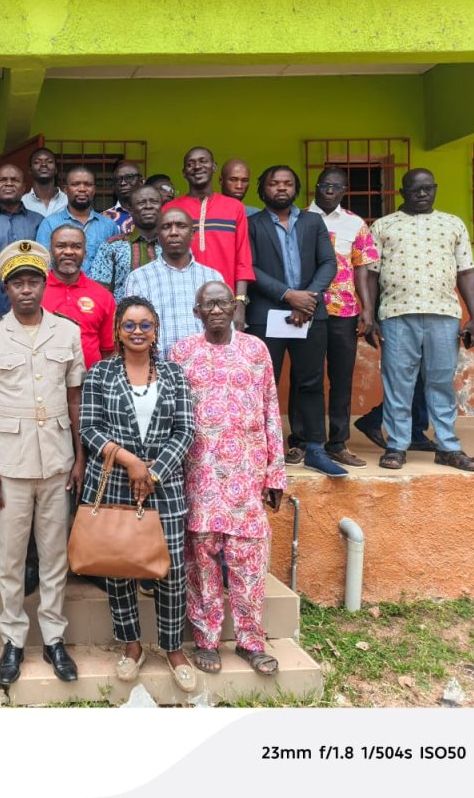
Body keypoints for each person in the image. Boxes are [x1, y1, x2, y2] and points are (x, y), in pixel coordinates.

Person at [0, 240, 86, 686]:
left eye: (33, 280)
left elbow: (75, 398)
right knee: (11, 558)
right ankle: (13, 639)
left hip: (57, 460)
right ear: (7, 287)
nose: (26, 290)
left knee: (54, 557)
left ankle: (54, 638)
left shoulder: (67, 332)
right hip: (9, 463)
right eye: (18, 282)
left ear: (44, 284)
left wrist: (79, 455)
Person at [79, 296, 197, 691]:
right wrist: (131, 462)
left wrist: (155, 471)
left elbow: (186, 430)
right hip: (113, 483)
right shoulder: (99, 374)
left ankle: (172, 647)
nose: (137, 332)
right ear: (117, 330)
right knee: (119, 569)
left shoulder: (175, 375)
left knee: (172, 570)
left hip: (164, 489)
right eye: (129, 325)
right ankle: (132, 645)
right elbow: (89, 429)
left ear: (156, 329)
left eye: (145, 325)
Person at [170, 281, 286, 677]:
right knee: (201, 558)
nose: (217, 310)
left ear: (234, 306)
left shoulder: (256, 350)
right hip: (199, 473)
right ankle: (206, 639)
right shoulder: (182, 353)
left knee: (249, 560)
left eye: (223, 302)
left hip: (248, 474)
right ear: (196, 311)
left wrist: (276, 472)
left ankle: (251, 641)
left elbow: (272, 408)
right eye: (208, 304)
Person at [366, 168, 474, 472]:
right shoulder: (383, 226)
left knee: (441, 381)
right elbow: (371, 274)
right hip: (395, 314)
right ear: (402, 192)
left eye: (427, 189)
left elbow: (466, 271)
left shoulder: (452, 224)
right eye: (415, 190)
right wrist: (370, 315)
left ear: (435, 189)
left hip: (443, 314)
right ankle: (396, 446)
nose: (422, 194)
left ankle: (447, 447)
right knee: (397, 383)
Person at [247, 165, 345, 478]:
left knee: (311, 381)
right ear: (263, 190)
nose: (281, 188)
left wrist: (308, 297)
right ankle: (262, 449)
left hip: (310, 315)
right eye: (274, 183)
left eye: (287, 183)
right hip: (267, 315)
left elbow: (328, 262)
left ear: (296, 189)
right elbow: (250, 268)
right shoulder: (253, 224)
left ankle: (315, 446)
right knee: (265, 384)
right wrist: (290, 295)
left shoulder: (313, 221)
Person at [296, 168, 380, 469]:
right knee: (306, 378)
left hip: (344, 311)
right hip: (307, 309)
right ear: (316, 188)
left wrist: (367, 311)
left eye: (336, 186)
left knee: (342, 378)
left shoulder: (355, 224)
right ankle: (303, 440)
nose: (329, 190)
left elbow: (363, 269)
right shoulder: (300, 217)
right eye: (324, 185)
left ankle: (338, 442)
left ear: (344, 190)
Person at [163, 147, 254, 326]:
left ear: (214, 167)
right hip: (182, 302)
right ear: (184, 172)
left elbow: (243, 260)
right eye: (191, 164)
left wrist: (240, 304)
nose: (197, 166)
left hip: (224, 304)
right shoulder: (170, 210)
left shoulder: (234, 208)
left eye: (203, 161)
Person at [123, 208, 224, 359]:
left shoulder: (212, 278)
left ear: (192, 233)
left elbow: (225, 330)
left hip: (206, 369)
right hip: (157, 371)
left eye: (181, 226)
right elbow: (130, 330)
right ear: (158, 235)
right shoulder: (139, 278)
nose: (173, 232)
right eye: (166, 227)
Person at [41, 224, 115, 369]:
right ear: (50, 252)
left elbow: (109, 350)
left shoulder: (103, 296)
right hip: (44, 383)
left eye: (76, 246)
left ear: (85, 253)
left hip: (88, 385)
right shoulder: (35, 292)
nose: (68, 252)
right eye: (61, 246)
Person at [35, 166, 118, 276]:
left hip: (98, 291)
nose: (82, 189)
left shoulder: (108, 226)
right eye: (76, 184)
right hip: (61, 289)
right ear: (65, 189)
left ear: (94, 189)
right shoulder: (50, 223)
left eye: (88, 184)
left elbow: (116, 264)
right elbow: (42, 263)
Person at [91, 184, 163, 302]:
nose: (148, 206)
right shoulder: (112, 246)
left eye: (154, 201)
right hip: (122, 318)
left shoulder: (172, 247)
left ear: (161, 206)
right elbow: (99, 293)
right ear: (131, 209)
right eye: (141, 203)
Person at [22, 147, 68, 217]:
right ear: (30, 171)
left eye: (49, 161)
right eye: (37, 162)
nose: (44, 164)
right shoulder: (22, 203)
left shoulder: (67, 201)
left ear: (56, 170)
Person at [102, 160, 145, 234]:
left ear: (141, 182)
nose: (123, 183)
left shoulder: (154, 215)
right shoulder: (103, 219)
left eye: (129, 177)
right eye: (117, 179)